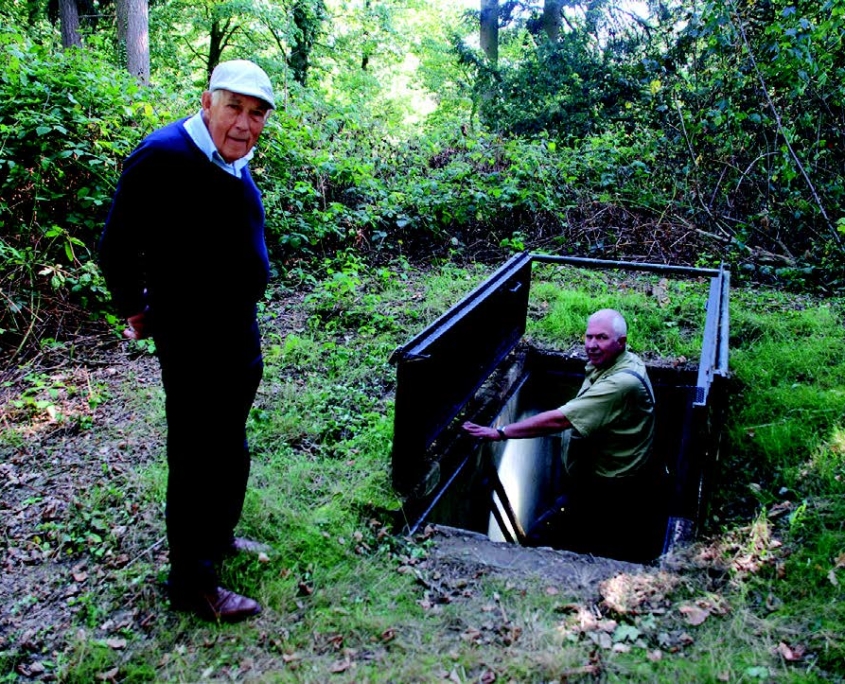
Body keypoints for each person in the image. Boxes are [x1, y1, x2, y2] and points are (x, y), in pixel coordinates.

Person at [99, 59, 276, 622]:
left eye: (256, 114)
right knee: (197, 452)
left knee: (229, 443)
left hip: (237, 326)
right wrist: (136, 308)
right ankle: (191, 583)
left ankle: (218, 536)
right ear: (207, 102)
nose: (245, 123)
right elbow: (115, 244)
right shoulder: (163, 155)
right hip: (192, 334)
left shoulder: (230, 155)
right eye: (234, 108)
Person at [462, 308, 663, 562]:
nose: (592, 345)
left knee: (545, 540)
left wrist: (500, 432)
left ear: (621, 342)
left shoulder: (621, 383)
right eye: (589, 336)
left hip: (610, 489)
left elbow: (560, 420)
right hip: (598, 478)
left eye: (602, 338)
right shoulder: (614, 362)